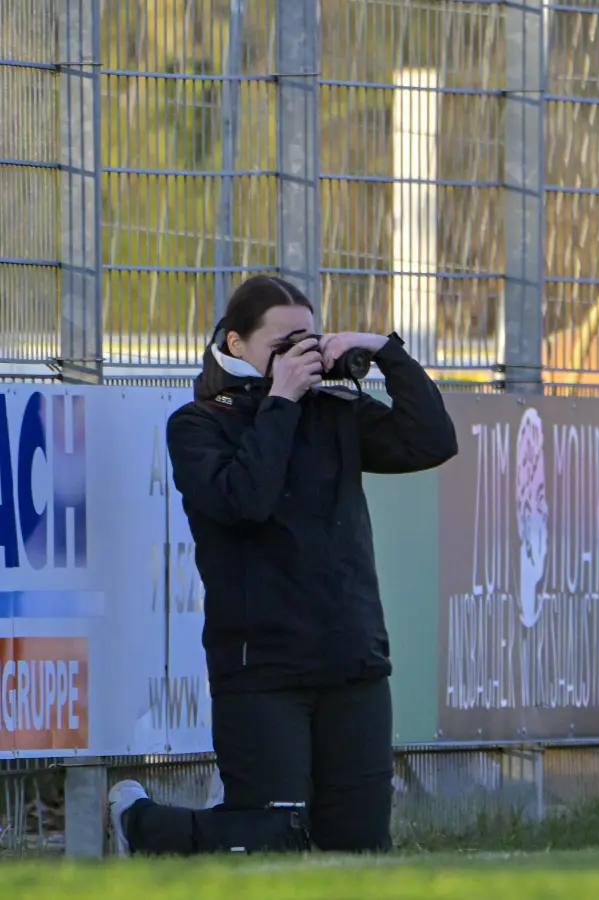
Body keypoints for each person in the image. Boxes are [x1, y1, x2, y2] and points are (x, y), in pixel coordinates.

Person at [108, 275, 460, 855]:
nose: (300, 358)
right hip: (262, 665)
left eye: (308, 342)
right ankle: (141, 825)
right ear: (237, 343)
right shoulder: (198, 424)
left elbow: (430, 442)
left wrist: (384, 350)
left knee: (359, 846)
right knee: (275, 838)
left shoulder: (335, 410)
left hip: (352, 656)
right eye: (282, 346)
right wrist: (281, 401)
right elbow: (244, 502)